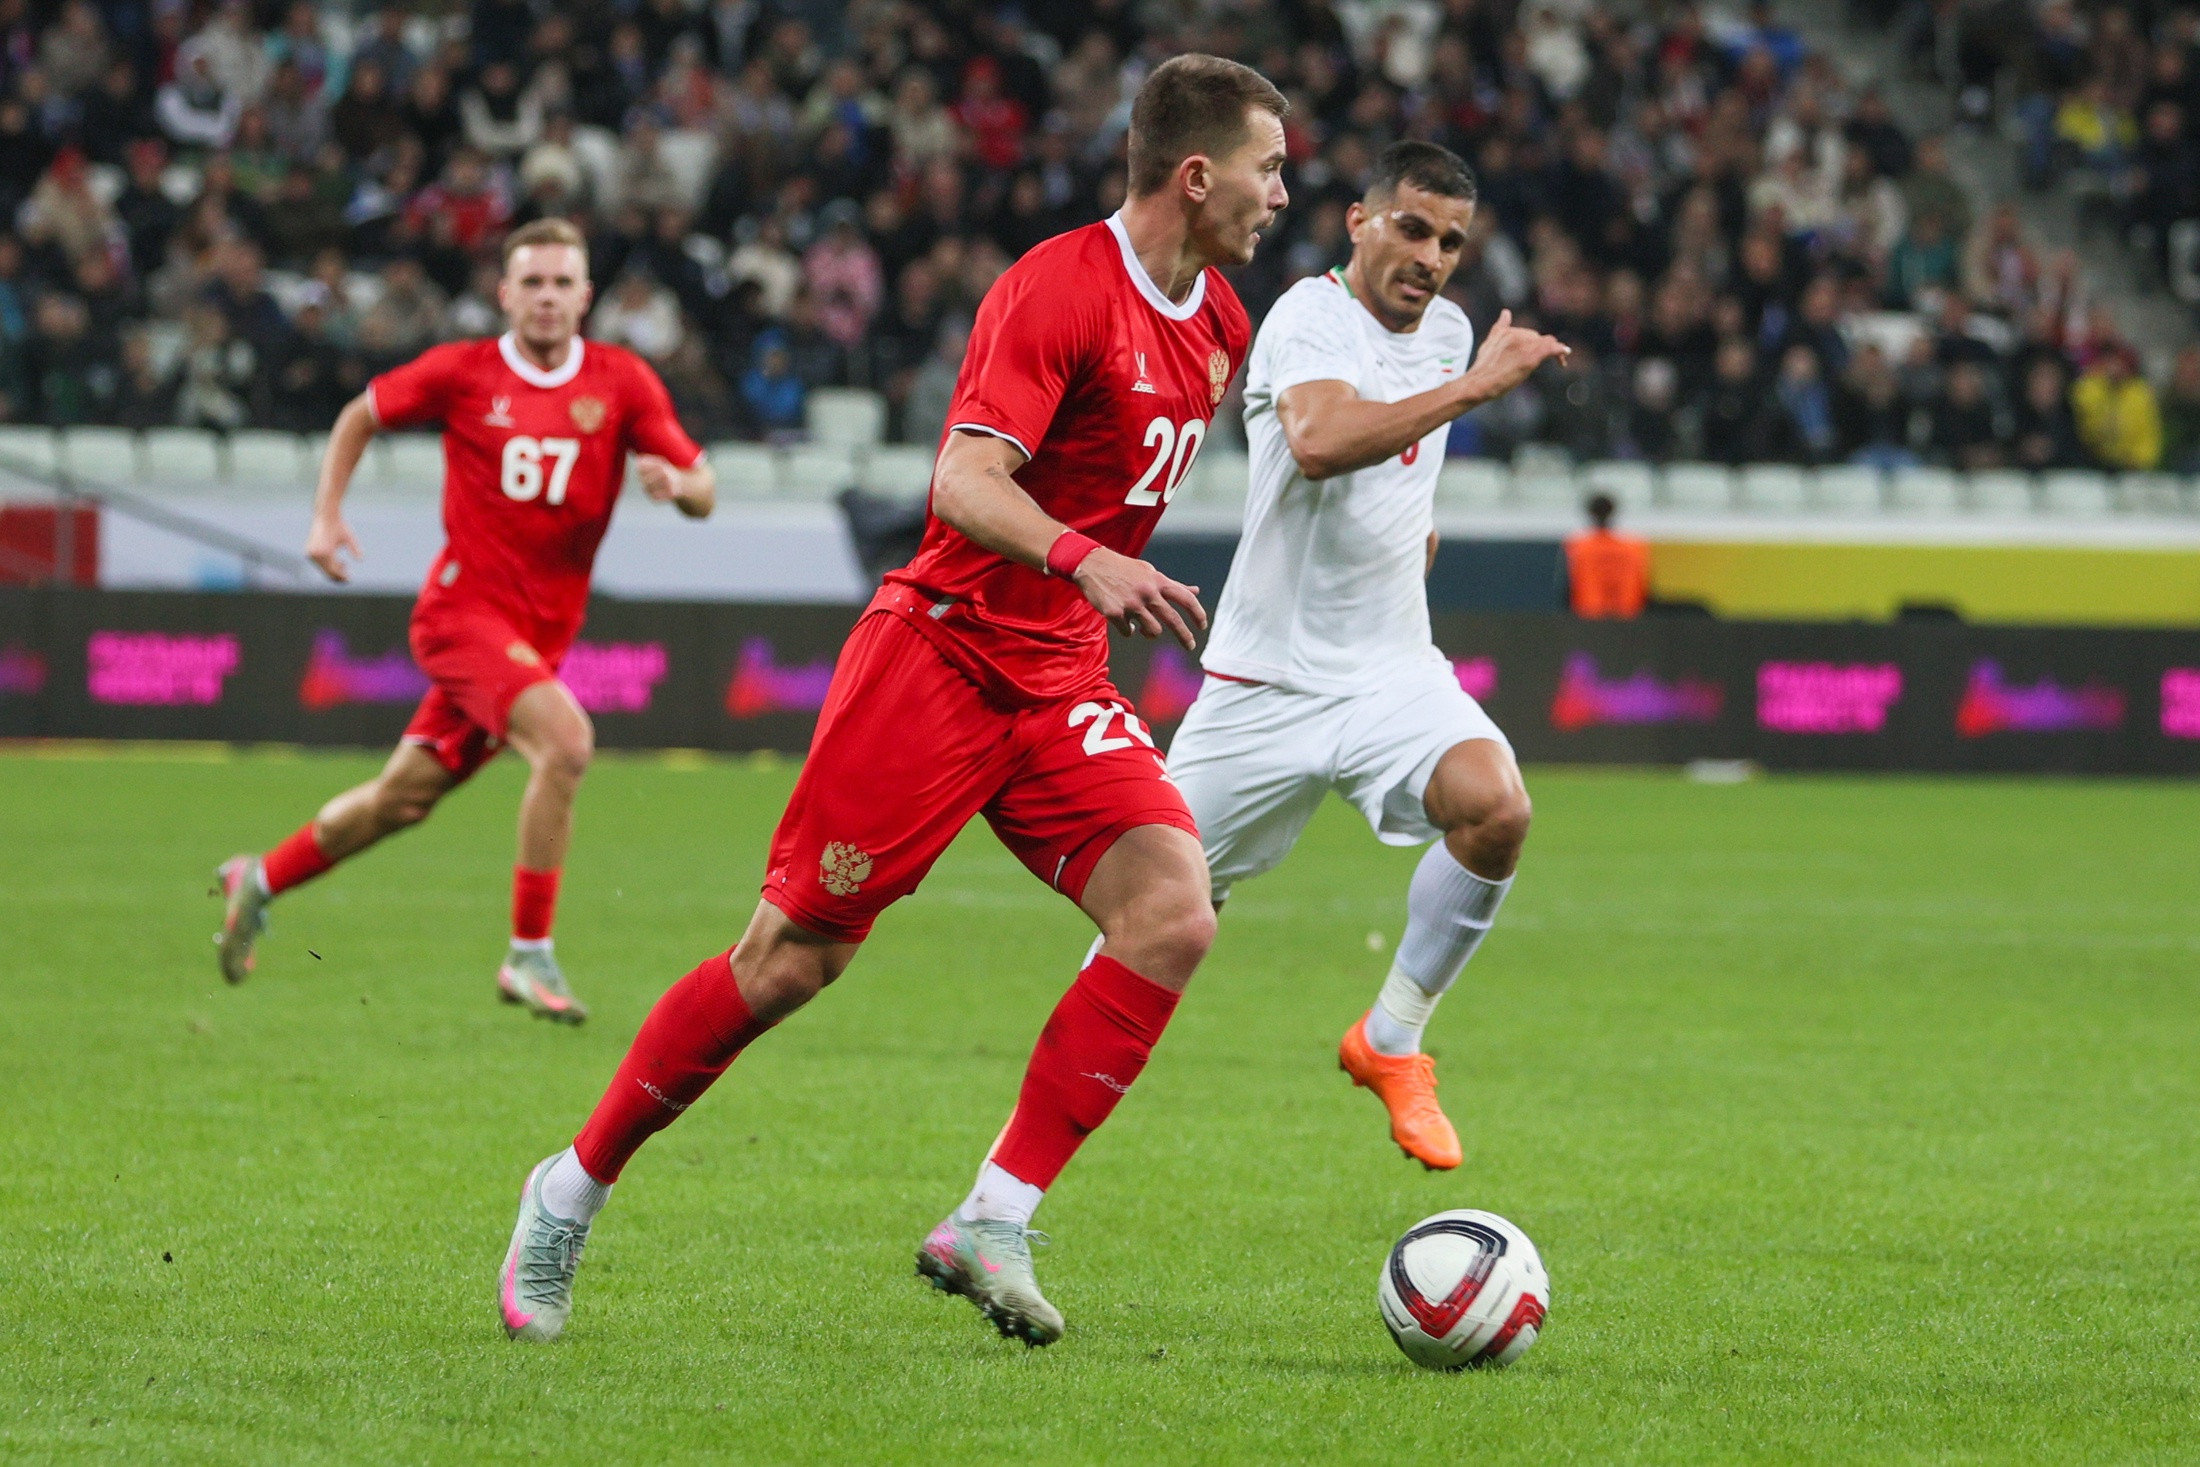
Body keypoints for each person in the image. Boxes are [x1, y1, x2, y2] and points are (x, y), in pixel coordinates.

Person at [496, 55, 1290, 1349]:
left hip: (1057, 679)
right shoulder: (1058, 288)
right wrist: (1087, 559)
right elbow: (964, 484)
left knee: (1171, 911)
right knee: (789, 962)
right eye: (1270, 167)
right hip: (940, 659)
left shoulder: (1221, 326)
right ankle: (569, 1186)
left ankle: (993, 1214)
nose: (1282, 193)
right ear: (1197, 176)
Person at [1164, 142, 1565, 1174]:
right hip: (1264, 684)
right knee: (1152, 923)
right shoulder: (1308, 315)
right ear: (1358, 221)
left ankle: (1392, 1038)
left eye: (1450, 242)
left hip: (1390, 673)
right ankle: (1009, 1187)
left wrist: (1409, 533)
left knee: (1497, 807)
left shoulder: (1451, 333)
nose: (1430, 257)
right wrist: (1475, 390)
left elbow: (1399, 475)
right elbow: (1319, 442)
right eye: (1412, 228)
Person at [212, 219, 715, 1023]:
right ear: (504, 294)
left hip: (536, 640)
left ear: (585, 296)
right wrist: (326, 517)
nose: (547, 297)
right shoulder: (465, 371)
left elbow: (703, 485)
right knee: (567, 744)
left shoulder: (621, 382)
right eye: (532, 282)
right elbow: (359, 415)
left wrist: (678, 488)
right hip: (461, 617)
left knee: (398, 800)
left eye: (562, 283)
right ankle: (529, 952)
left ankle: (260, 878)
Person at [1565, 492, 1652, 618]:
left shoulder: (1577, 546)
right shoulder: (1634, 547)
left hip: (1588, 617)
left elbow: (1567, 587)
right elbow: (1645, 587)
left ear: (1590, 513)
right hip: (1628, 617)